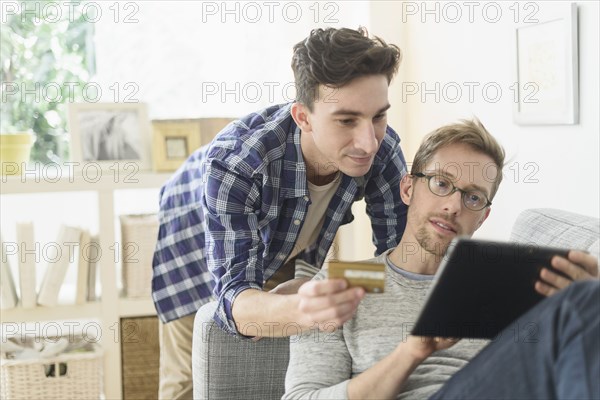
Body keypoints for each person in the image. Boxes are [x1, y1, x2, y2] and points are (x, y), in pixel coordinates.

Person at [152, 27, 409, 399]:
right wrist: (307, 310)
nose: (368, 141)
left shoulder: (381, 150)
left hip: (288, 240)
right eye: (346, 121)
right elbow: (234, 303)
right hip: (191, 239)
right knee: (191, 375)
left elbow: (397, 264)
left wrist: (340, 283)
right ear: (303, 117)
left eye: (378, 117)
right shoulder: (237, 162)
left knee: (282, 353)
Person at [283, 119, 600, 399]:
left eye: (472, 197)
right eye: (441, 183)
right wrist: (411, 352)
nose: (453, 206)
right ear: (407, 189)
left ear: (483, 217)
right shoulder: (342, 283)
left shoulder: (506, 286)